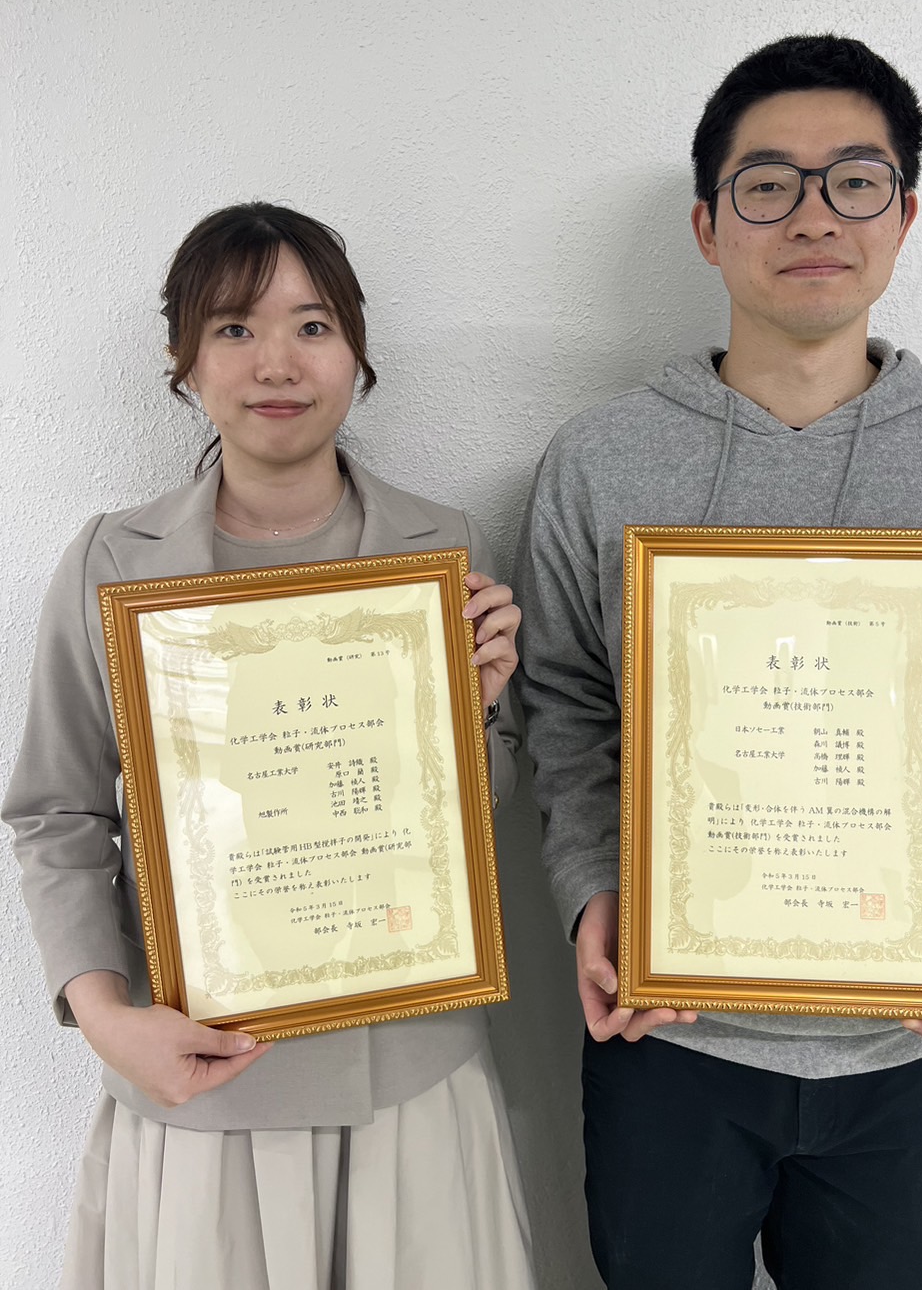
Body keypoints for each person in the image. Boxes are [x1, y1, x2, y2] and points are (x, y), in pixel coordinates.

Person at [513, 34, 922, 1290]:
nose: (812, 216)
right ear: (708, 226)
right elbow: (567, 708)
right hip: (669, 1036)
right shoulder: (601, 459)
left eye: (853, 181)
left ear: (903, 215)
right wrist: (592, 892)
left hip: (901, 1046)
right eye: (767, 184)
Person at [3, 202, 536, 1290]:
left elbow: (470, 824)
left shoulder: (437, 547)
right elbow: (58, 810)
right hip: (200, 1072)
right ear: (184, 360)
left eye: (312, 325)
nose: (276, 363)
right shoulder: (115, 559)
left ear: (355, 350)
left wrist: (478, 714)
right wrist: (103, 1017)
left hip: (407, 1075)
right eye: (234, 328)